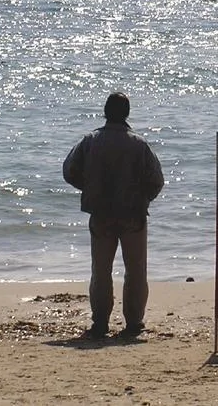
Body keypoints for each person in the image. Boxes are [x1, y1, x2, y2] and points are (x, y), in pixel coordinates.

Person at [63, 92, 165, 340]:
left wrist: (88, 188)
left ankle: (100, 323)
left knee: (100, 270)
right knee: (136, 271)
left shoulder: (90, 141)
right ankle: (134, 323)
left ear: (105, 112)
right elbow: (156, 180)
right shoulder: (139, 144)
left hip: (101, 213)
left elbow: (69, 171)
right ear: (127, 114)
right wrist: (143, 198)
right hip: (133, 214)